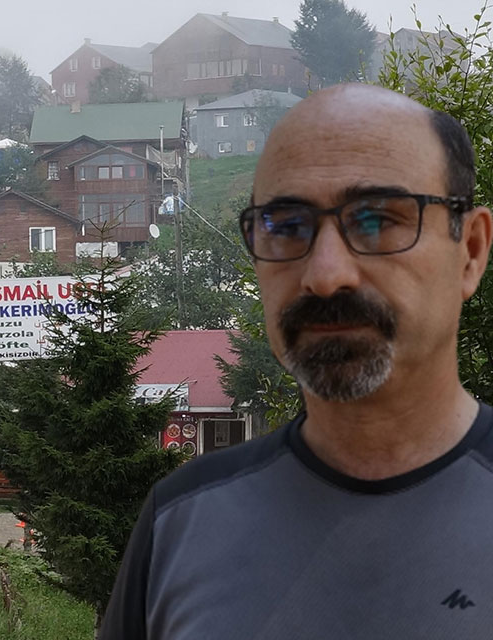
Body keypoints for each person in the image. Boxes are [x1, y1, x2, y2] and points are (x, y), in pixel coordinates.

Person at [100, 85, 493, 637]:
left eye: (377, 220)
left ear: (471, 251)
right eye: (286, 227)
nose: (326, 274)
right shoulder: (181, 522)